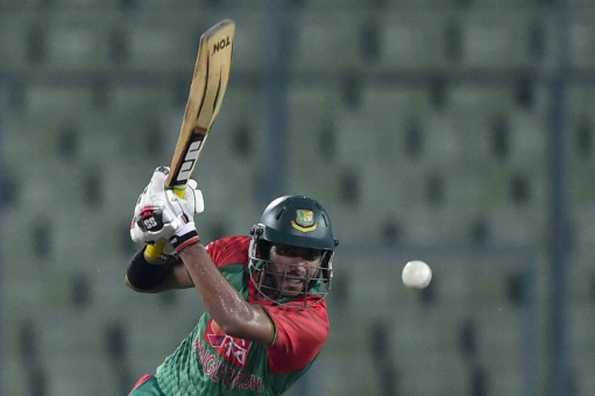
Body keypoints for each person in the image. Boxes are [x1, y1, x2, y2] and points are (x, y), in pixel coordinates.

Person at [125, 167, 338, 395]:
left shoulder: (312, 323)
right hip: (165, 390)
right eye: (287, 251)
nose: (298, 266)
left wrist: (183, 235)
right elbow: (142, 281)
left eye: (310, 256)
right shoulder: (235, 253)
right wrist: (157, 246)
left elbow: (235, 320)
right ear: (265, 249)